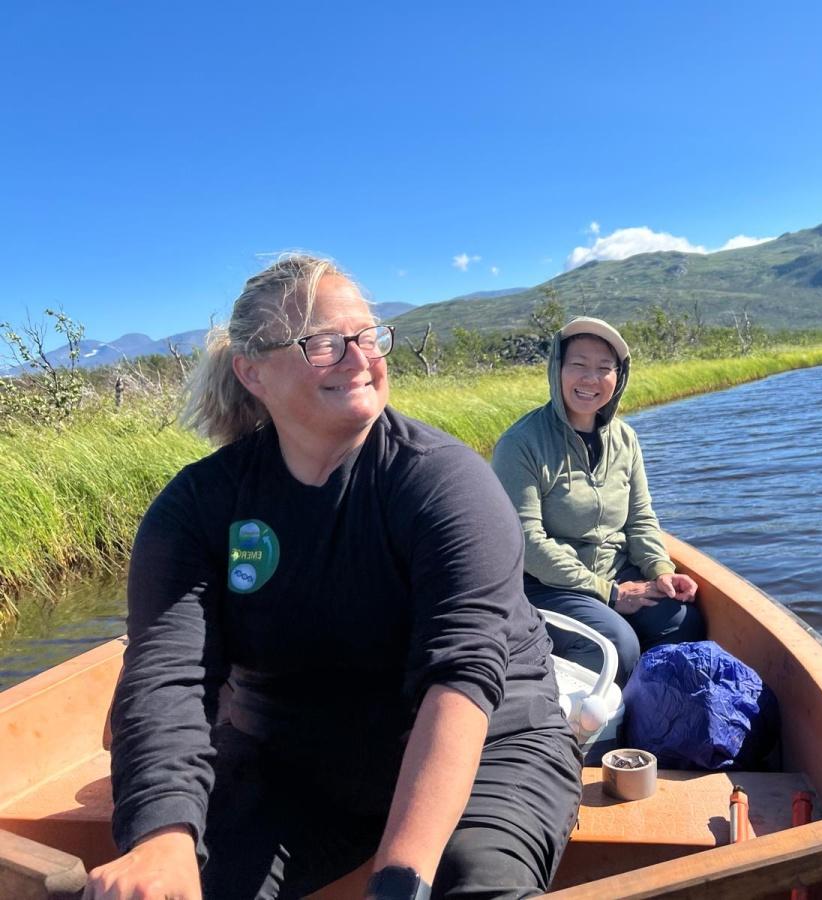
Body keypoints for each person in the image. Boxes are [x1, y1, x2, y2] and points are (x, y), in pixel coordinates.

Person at [85, 255, 582, 900]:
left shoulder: (445, 484)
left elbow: (458, 682)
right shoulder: (198, 509)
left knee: (475, 883)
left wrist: (399, 880)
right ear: (252, 371)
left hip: (489, 744)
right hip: (295, 759)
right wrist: (162, 840)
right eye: (323, 343)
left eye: (368, 337)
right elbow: (168, 678)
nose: (358, 358)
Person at [491, 317, 704, 688]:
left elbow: (640, 518)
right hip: (547, 586)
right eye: (578, 365)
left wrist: (659, 570)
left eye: (604, 369)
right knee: (617, 646)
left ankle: (652, 721)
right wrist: (610, 593)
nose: (590, 379)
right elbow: (526, 542)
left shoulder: (626, 439)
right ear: (557, 369)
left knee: (682, 622)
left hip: (616, 571)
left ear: (618, 378)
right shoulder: (520, 444)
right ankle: (590, 731)